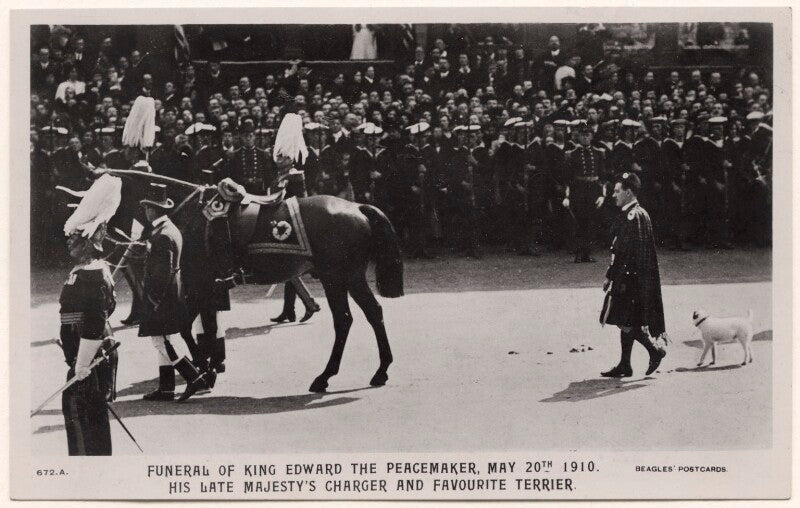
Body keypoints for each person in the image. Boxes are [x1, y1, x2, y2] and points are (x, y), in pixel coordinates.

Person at [59, 176, 121, 455]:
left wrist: (82, 364)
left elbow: (95, 322)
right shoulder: (86, 272)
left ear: (89, 240)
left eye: (75, 238)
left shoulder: (92, 275)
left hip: (90, 360)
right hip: (87, 356)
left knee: (83, 416)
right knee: (87, 417)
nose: (69, 243)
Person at [138, 183, 210, 402]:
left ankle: (195, 379)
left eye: (147, 207)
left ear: (153, 209)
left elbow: (163, 272)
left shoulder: (162, 235)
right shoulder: (168, 230)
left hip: (162, 298)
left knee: (161, 342)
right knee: (164, 339)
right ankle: (167, 387)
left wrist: (153, 299)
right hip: (171, 295)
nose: (146, 211)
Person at [600, 172, 667, 377]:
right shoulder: (638, 213)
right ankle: (625, 364)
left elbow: (625, 251)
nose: (614, 195)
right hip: (634, 277)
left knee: (625, 321)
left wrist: (612, 276)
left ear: (628, 193)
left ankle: (655, 351)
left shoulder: (632, 216)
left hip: (629, 279)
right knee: (627, 321)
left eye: (617, 191)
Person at [269, 113, 322, 324]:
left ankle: (307, 303)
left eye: (284, 157)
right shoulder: (283, 176)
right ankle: (290, 309)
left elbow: (298, 200)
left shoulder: (295, 175)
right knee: (287, 266)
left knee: (287, 266)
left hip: (292, 223)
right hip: (284, 222)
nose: (280, 160)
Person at [563, 121, 607, 263]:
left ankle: (587, 253)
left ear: (592, 136)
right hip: (578, 190)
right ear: (578, 137)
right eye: (583, 135)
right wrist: (567, 196)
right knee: (578, 222)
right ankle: (578, 253)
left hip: (593, 190)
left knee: (590, 223)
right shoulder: (572, 154)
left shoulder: (598, 153)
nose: (585, 138)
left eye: (588, 135)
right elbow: (568, 177)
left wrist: (602, 194)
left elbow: (602, 175)